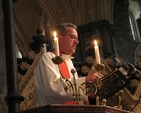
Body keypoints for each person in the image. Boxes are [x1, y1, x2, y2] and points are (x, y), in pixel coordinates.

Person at [34, 22, 103, 107]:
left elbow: (77, 94)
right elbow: (54, 88)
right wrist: (85, 80)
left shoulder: (69, 62)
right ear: (60, 38)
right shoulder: (47, 58)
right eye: (72, 37)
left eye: (77, 39)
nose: (76, 42)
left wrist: (90, 94)